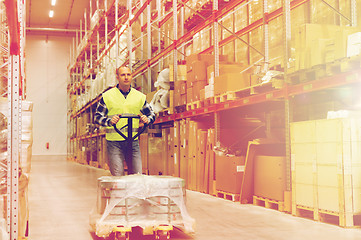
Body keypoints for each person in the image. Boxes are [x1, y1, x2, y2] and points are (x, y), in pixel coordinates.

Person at [94, 66, 155, 176]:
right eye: (123, 75)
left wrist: (147, 119)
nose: (126, 77)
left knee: (137, 176)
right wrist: (109, 121)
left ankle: (133, 194)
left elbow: (152, 114)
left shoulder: (139, 96)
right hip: (114, 143)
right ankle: (119, 194)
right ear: (117, 77)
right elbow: (97, 117)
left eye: (128, 74)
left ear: (132, 76)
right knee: (118, 176)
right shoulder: (107, 96)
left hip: (133, 142)